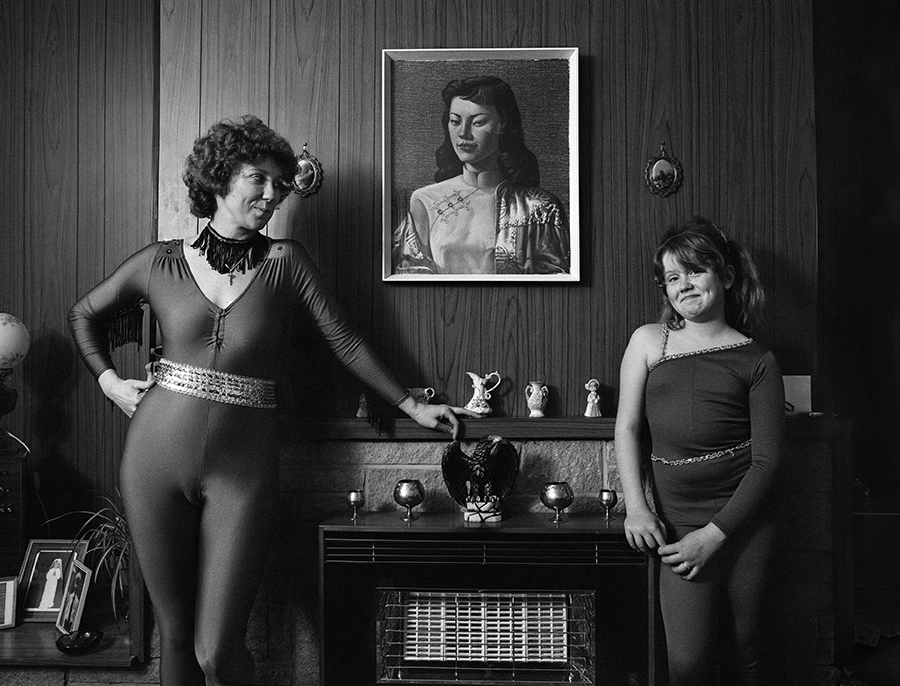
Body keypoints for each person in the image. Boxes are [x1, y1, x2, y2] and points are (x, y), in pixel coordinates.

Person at [68, 115, 478, 686]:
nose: (271, 195)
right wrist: (111, 382)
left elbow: (344, 340)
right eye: (258, 179)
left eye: (280, 185)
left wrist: (411, 406)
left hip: (243, 467)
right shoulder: (158, 262)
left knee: (216, 650)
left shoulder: (286, 261)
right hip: (151, 460)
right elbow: (84, 314)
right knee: (176, 641)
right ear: (218, 179)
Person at [613, 217, 784, 684]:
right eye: (672, 277)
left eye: (694, 270)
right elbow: (627, 428)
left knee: (749, 650)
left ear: (724, 276)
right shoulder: (649, 341)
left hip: (744, 523)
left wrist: (715, 534)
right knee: (687, 663)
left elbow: (768, 461)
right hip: (677, 522)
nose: (683, 284)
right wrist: (637, 509)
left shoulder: (759, 359)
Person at [392, 75, 570, 275]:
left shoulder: (539, 207)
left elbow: (557, 282)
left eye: (478, 122)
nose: (463, 133)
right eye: (455, 121)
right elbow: (410, 276)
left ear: (504, 126)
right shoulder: (425, 200)